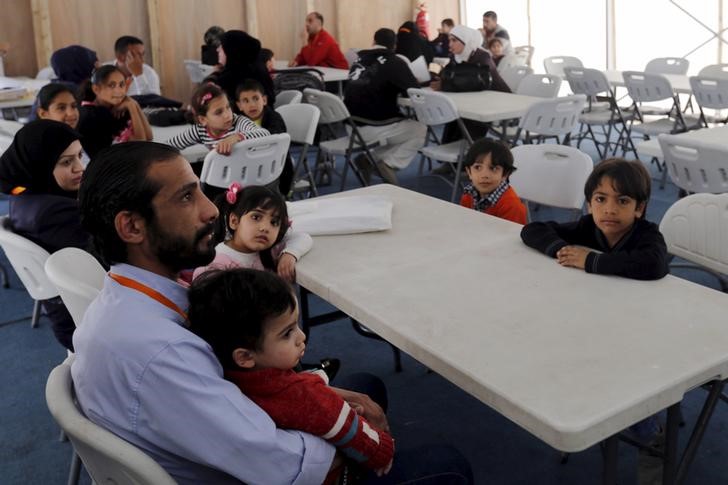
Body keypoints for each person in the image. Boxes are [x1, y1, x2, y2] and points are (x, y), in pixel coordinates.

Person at [72, 140, 473, 484]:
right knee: (448, 465)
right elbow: (285, 468)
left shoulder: (126, 302)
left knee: (366, 386)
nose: (211, 211)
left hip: (218, 451)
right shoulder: (161, 352)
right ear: (132, 228)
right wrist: (350, 438)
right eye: (186, 197)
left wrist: (328, 401)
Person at [188, 268, 395, 484]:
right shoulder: (304, 395)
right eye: (287, 333)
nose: (301, 336)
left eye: (296, 325)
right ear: (245, 356)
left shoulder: (230, 372)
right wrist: (383, 449)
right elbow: (351, 430)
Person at [0, 120, 89, 350]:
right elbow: (107, 257)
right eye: (67, 162)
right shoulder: (53, 212)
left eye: (80, 155)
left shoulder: (25, 194)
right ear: (40, 163)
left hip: (71, 309)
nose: (80, 167)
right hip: (84, 318)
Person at [520, 158, 669, 280]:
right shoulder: (588, 226)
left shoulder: (647, 234)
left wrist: (589, 260)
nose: (609, 210)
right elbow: (532, 230)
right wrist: (564, 252)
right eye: (600, 199)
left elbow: (655, 265)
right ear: (589, 205)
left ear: (639, 209)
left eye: (622, 201)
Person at [344, 28, 427, 185]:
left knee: (398, 133)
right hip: (373, 126)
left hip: (351, 126)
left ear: (373, 42)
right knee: (419, 130)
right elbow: (415, 91)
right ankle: (389, 164)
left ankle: (369, 159)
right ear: (394, 46)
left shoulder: (358, 60)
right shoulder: (395, 62)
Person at [192, 184, 312, 282]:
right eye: (256, 217)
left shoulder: (270, 251)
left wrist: (290, 254)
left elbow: (303, 237)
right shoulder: (216, 263)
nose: (265, 228)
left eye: (274, 222)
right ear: (234, 221)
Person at [164, 82, 269, 155]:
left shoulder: (238, 122)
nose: (227, 115)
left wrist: (237, 137)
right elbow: (168, 146)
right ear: (203, 120)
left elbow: (264, 134)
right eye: (219, 112)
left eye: (228, 107)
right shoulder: (199, 131)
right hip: (221, 177)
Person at [77, 65, 153, 159]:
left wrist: (134, 104)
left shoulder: (115, 106)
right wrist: (132, 107)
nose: (118, 91)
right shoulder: (96, 114)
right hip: (106, 168)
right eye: (112, 85)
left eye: (121, 85)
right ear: (96, 89)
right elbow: (141, 145)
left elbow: (149, 136)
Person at [235, 78, 294, 193]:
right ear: (239, 105)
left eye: (256, 99)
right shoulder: (238, 122)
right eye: (246, 101)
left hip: (275, 170)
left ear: (264, 100)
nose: (252, 104)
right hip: (250, 169)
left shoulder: (274, 118)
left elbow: (274, 139)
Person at [459, 139, 526, 225]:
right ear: (469, 172)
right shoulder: (468, 195)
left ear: (505, 174)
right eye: (477, 167)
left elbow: (512, 237)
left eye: (493, 168)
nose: (485, 175)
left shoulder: (512, 207)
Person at [206, 30, 276, 109]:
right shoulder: (252, 65)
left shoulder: (235, 75)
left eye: (221, 46)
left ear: (231, 50)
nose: (217, 50)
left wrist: (215, 73)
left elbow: (207, 94)